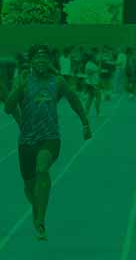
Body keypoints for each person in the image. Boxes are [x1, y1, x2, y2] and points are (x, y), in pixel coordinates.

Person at [4, 45, 92, 243]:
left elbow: (74, 99)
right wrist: (18, 86)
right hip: (26, 140)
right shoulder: (24, 82)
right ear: (31, 62)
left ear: (49, 61)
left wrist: (85, 122)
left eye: (45, 58)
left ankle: (40, 220)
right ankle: (38, 210)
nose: (41, 61)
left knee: (42, 169)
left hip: (50, 138)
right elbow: (8, 107)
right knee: (28, 185)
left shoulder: (58, 81)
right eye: (37, 58)